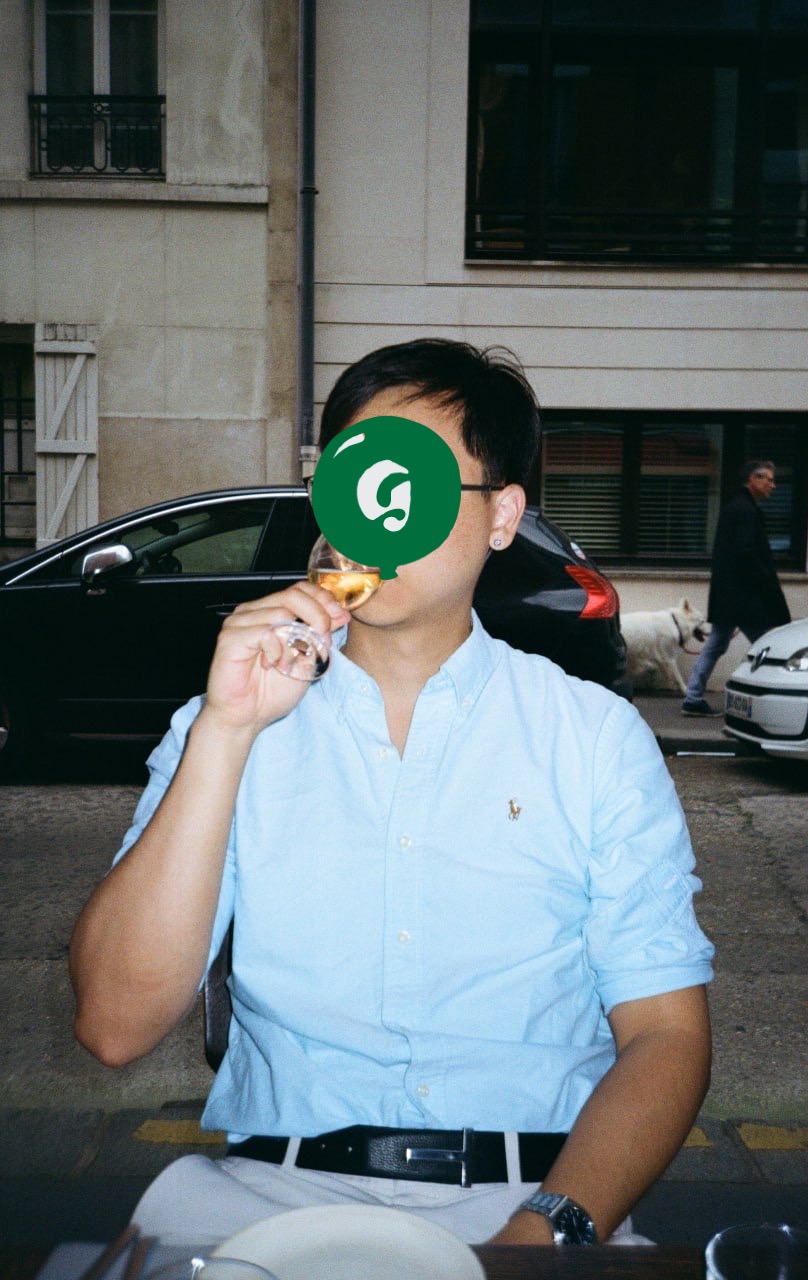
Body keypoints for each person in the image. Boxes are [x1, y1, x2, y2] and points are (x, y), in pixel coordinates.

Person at [69, 339, 713, 1252]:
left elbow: (665, 1034)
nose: (378, 512)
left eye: (414, 482)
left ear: (503, 517)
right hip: (264, 1195)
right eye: (355, 476)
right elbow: (112, 1026)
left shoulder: (593, 740)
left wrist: (546, 1230)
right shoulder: (224, 724)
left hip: (532, 1197)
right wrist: (225, 732)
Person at [682, 460, 791, 716]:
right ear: (754, 479)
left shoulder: (737, 507)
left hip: (732, 596)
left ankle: (693, 696)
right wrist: (764, 585)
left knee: (718, 643)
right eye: (769, 480)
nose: (773, 486)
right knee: (770, 645)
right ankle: (775, 700)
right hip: (745, 598)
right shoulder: (746, 511)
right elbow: (747, 555)